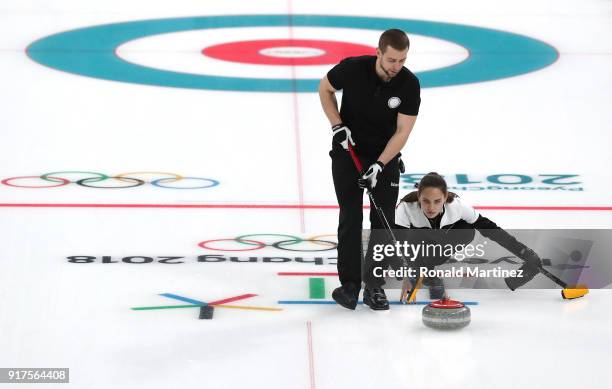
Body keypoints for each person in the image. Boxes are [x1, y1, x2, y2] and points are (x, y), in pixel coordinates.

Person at [318, 29, 421, 310]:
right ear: (378, 52)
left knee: (382, 223)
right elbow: (324, 88)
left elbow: (402, 131)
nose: (396, 67)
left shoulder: (409, 85)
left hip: (384, 159)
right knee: (350, 217)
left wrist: (379, 164)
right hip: (347, 153)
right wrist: (337, 125)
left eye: (401, 60)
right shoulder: (353, 69)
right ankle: (349, 285)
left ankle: (374, 287)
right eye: (391, 60)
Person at [394, 172, 543, 299]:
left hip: (439, 240)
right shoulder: (405, 208)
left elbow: (490, 229)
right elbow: (398, 244)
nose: (431, 207)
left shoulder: (457, 206)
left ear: (445, 197)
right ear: (418, 196)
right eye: (425, 201)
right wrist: (407, 273)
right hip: (417, 239)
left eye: (437, 201)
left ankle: (428, 268)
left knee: (467, 230)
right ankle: (423, 270)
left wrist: (523, 251)